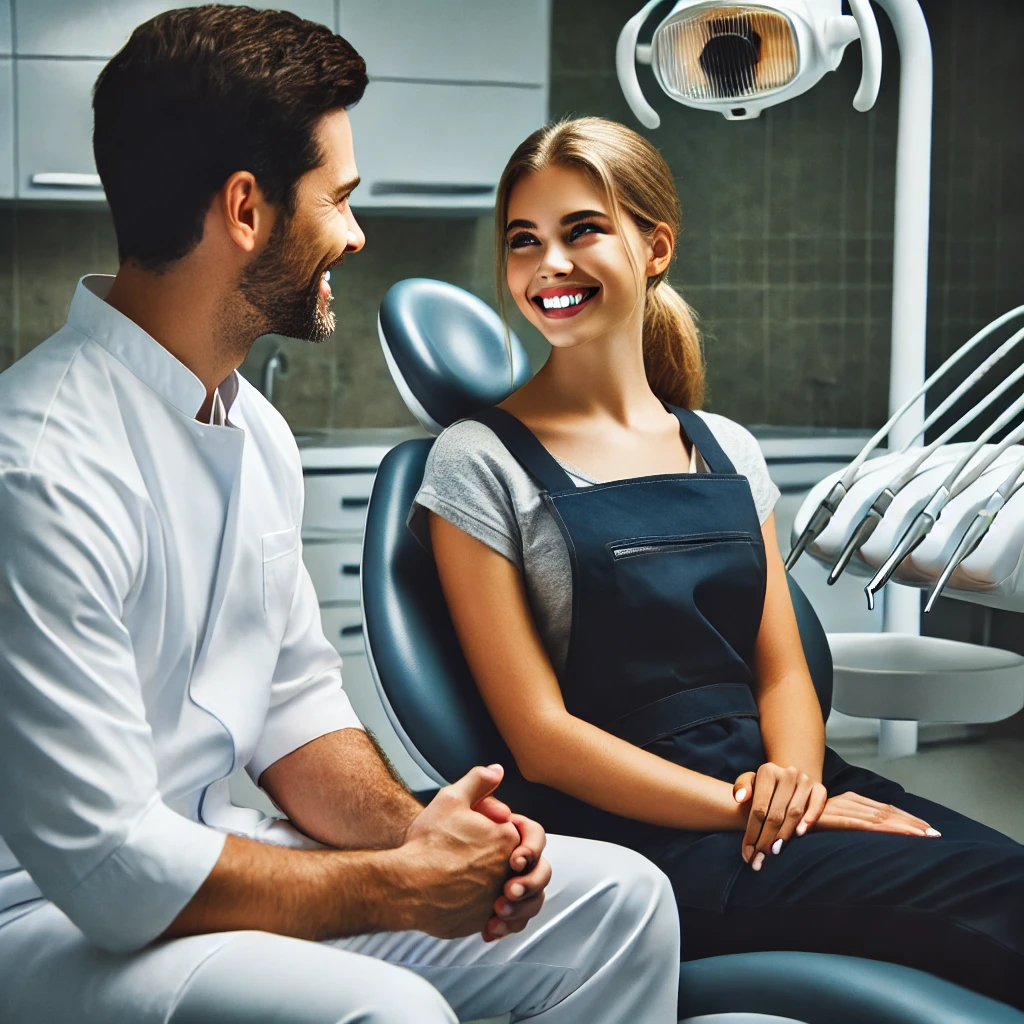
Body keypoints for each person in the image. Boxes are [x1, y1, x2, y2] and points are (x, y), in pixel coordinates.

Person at [0, 13, 682, 1024]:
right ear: (245, 209)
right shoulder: (39, 466)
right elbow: (111, 866)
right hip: (49, 918)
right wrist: (398, 886)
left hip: (211, 857)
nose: (355, 234)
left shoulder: (256, 433)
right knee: (388, 1010)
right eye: (339, 199)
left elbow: (295, 705)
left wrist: (426, 836)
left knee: (625, 903)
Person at [412, 116, 1024, 1010]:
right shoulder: (477, 462)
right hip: (648, 836)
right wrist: (748, 810)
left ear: (654, 246)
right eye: (523, 241)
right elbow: (540, 740)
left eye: (582, 230)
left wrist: (799, 784)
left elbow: (782, 666)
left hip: (786, 791)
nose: (549, 266)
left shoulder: (726, 447)